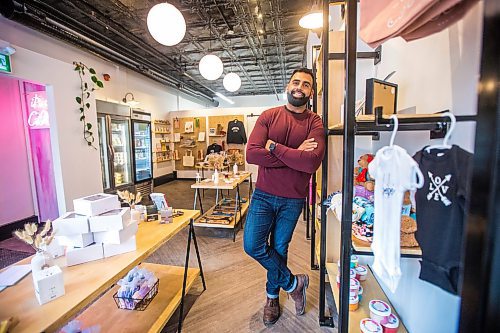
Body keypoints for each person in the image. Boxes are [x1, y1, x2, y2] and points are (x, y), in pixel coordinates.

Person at [244, 68, 325, 326]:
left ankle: (272, 298)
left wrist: (275, 148)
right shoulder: (269, 116)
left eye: (306, 84)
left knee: (279, 249)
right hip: (264, 196)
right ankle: (294, 283)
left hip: (293, 199)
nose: (300, 87)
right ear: (288, 86)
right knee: (252, 245)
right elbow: (252, 155)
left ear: (312, 92)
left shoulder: (315, 122)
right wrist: (294, 154)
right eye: (296, 82)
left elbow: (310, 162)